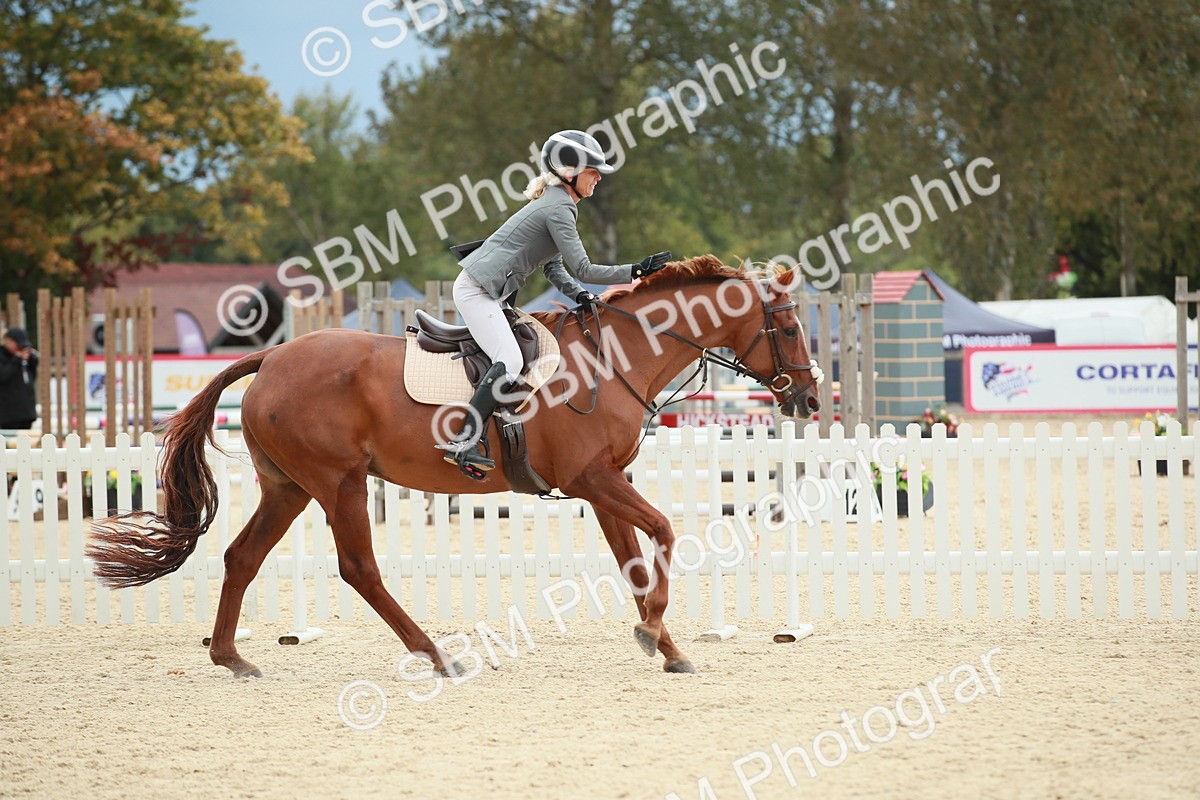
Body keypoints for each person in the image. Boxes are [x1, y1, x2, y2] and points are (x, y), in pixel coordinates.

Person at [439, 129, 671, 479]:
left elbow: (554, 266)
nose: (598, 179)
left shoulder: (554, 202)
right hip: (477, 291)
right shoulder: (558, 206)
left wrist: (578, 294)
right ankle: (463, 440)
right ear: (569, 172)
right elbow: (585, 267)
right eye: (593, 172)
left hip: (489, 291)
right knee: (511, 360)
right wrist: (635, 270)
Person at [0, 327, 39, 430]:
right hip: (8, 414)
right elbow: (3, 376)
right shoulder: (3, 356)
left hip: (26, 412)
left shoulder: (25, 359)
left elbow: (32, 377)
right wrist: (17, 359)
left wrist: (32, 360)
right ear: (8, 341)